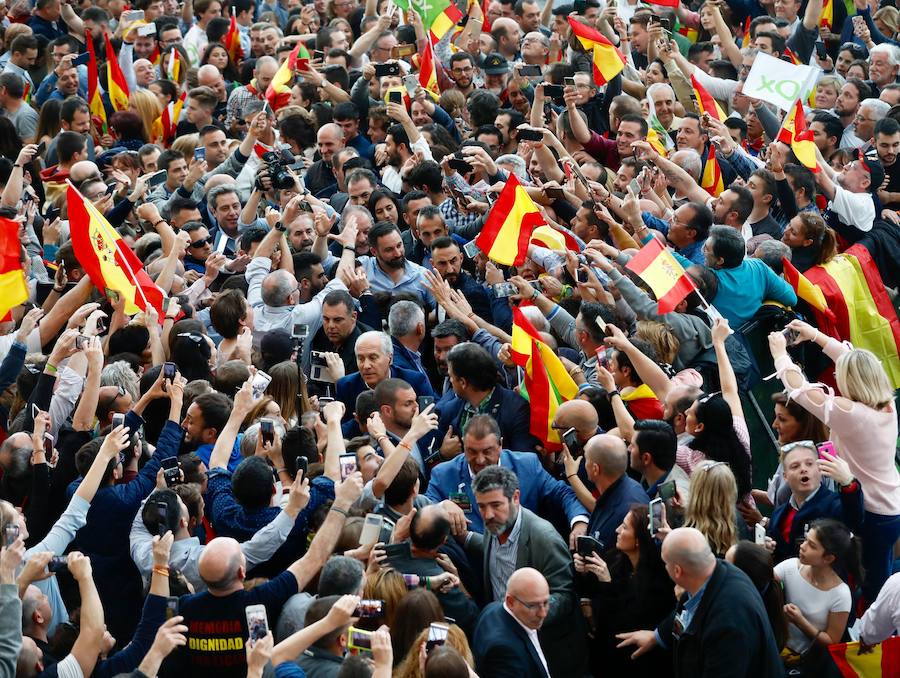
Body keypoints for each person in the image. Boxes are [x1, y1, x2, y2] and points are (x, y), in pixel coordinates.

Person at [770, 320, 900, 604]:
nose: (837, 377)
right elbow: (853, 360)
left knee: (873, 585)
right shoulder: (885, 403)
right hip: (890, 505)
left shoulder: (852, 414)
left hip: (874, 513)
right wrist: (814, 336)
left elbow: (800, 391)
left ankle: (878, 637)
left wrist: (780, 354)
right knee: (884, 570)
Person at [465, 465, 585, 677]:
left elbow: (565, 597)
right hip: (504, 641)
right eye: (481, 507)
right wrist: (463, 537)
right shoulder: (494, 522)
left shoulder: (544, 538)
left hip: (544, 650)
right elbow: (489, 549)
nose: (488, 514)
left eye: (496, 505)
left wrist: (527, 612)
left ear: (516, 497)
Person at [617, 527, 785, 677]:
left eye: (665, 563)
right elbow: (686, 610)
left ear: (677, 571)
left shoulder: (727, 624)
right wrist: (656, 636)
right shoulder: (714, 571)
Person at [575, 506, 675, 677]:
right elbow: (594, 595)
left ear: (638, 540)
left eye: (625, 527)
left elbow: (624, 621)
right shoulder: (614, 559)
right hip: (605, 658)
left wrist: (607, 583)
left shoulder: (659, 579)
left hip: (638, 664)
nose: (617, 530)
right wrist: (585, 572)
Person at [774, 519, 856, 673]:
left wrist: (800, 621)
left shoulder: (840, 594)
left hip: (807, 664)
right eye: (805, 540)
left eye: (811, 545)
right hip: (777, 649)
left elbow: (831, 641)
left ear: (829, 558)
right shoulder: (790, 567)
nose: (802, 546)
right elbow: (762, 579)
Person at [471, 567, 554, 678]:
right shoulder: (504, 651)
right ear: (510, 602)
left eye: (546, 602)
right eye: (533, 606)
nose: (543, 613)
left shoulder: (491, 609)